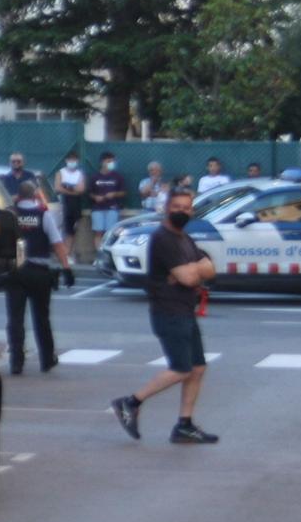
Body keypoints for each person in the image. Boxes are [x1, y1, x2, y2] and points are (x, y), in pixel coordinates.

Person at [111, 184, 219, 445]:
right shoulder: (163, 239)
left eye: (186, 208)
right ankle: (130, 402)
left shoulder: (185, 238)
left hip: (185, 310)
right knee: (181, 369)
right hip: (168, 311)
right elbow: (189, 276)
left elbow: (210, 268)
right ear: (166, 209)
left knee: (197, 367)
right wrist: (194, 270)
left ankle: (184, 424)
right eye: (176, 207)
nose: (182, 212)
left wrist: (194, 270)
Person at [0, 178, 74, 375]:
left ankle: (16, 362)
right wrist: (66, 268)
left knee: (15, 319)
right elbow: (57, 243)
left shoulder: (10, 214)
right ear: (34, 195)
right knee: (42, 318)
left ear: (18, 196)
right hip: (39, 272)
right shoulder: (43, 214)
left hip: (15, 272)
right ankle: (47, 359)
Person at [54, 150, 89, 259]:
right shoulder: (60, 173)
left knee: (72, 230)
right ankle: (63, 254)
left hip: (75, 205)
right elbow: (58, 188)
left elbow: (81, 189)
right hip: (63, 204)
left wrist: (67, 186)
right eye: (70, 160)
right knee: (62, 229)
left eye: (74, 160)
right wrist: (73, 189)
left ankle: (68, 253)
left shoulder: (80, 174)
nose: (72, 162)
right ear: (66, 161)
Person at [89, 151, 127, 239]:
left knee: (110, 232)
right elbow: (90, 193)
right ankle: (99, 252)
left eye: (112, 161)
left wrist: (114, 194)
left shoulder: (118, 176)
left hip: (112, 208)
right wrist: (95, 197)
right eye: (109, 161)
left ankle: (107, 251)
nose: (111, 163)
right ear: (102, 162)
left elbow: (123, 192)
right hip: (97, 209)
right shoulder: (95, 177)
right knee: (98, 232)